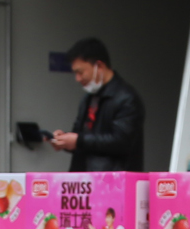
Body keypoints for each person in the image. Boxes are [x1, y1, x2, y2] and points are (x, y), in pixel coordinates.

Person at [52, 37, 144, 173]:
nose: (77, 79)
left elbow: (121, 142)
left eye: (80, 72)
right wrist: (65, 140)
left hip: (112, 179)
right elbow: (81, 137)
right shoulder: (88, 98)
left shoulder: (126, 98)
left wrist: (78, 141)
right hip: (83, 178)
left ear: (99, 66)